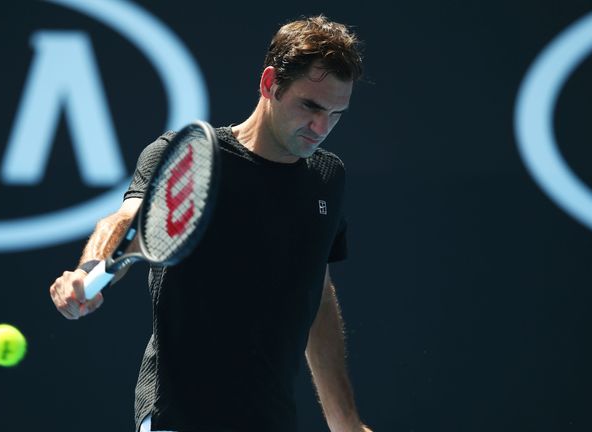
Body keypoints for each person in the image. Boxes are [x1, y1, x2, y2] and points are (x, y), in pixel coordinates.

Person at [50, 15, 372, 432]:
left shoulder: (329, 177)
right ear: (270, 84)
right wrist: (89, 270)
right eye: (310, 106)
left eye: (336, 114)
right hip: (180, 418)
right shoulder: (188, 158)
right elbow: (127, 220)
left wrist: (344, 420)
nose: (321, 127)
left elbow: (316, 290)